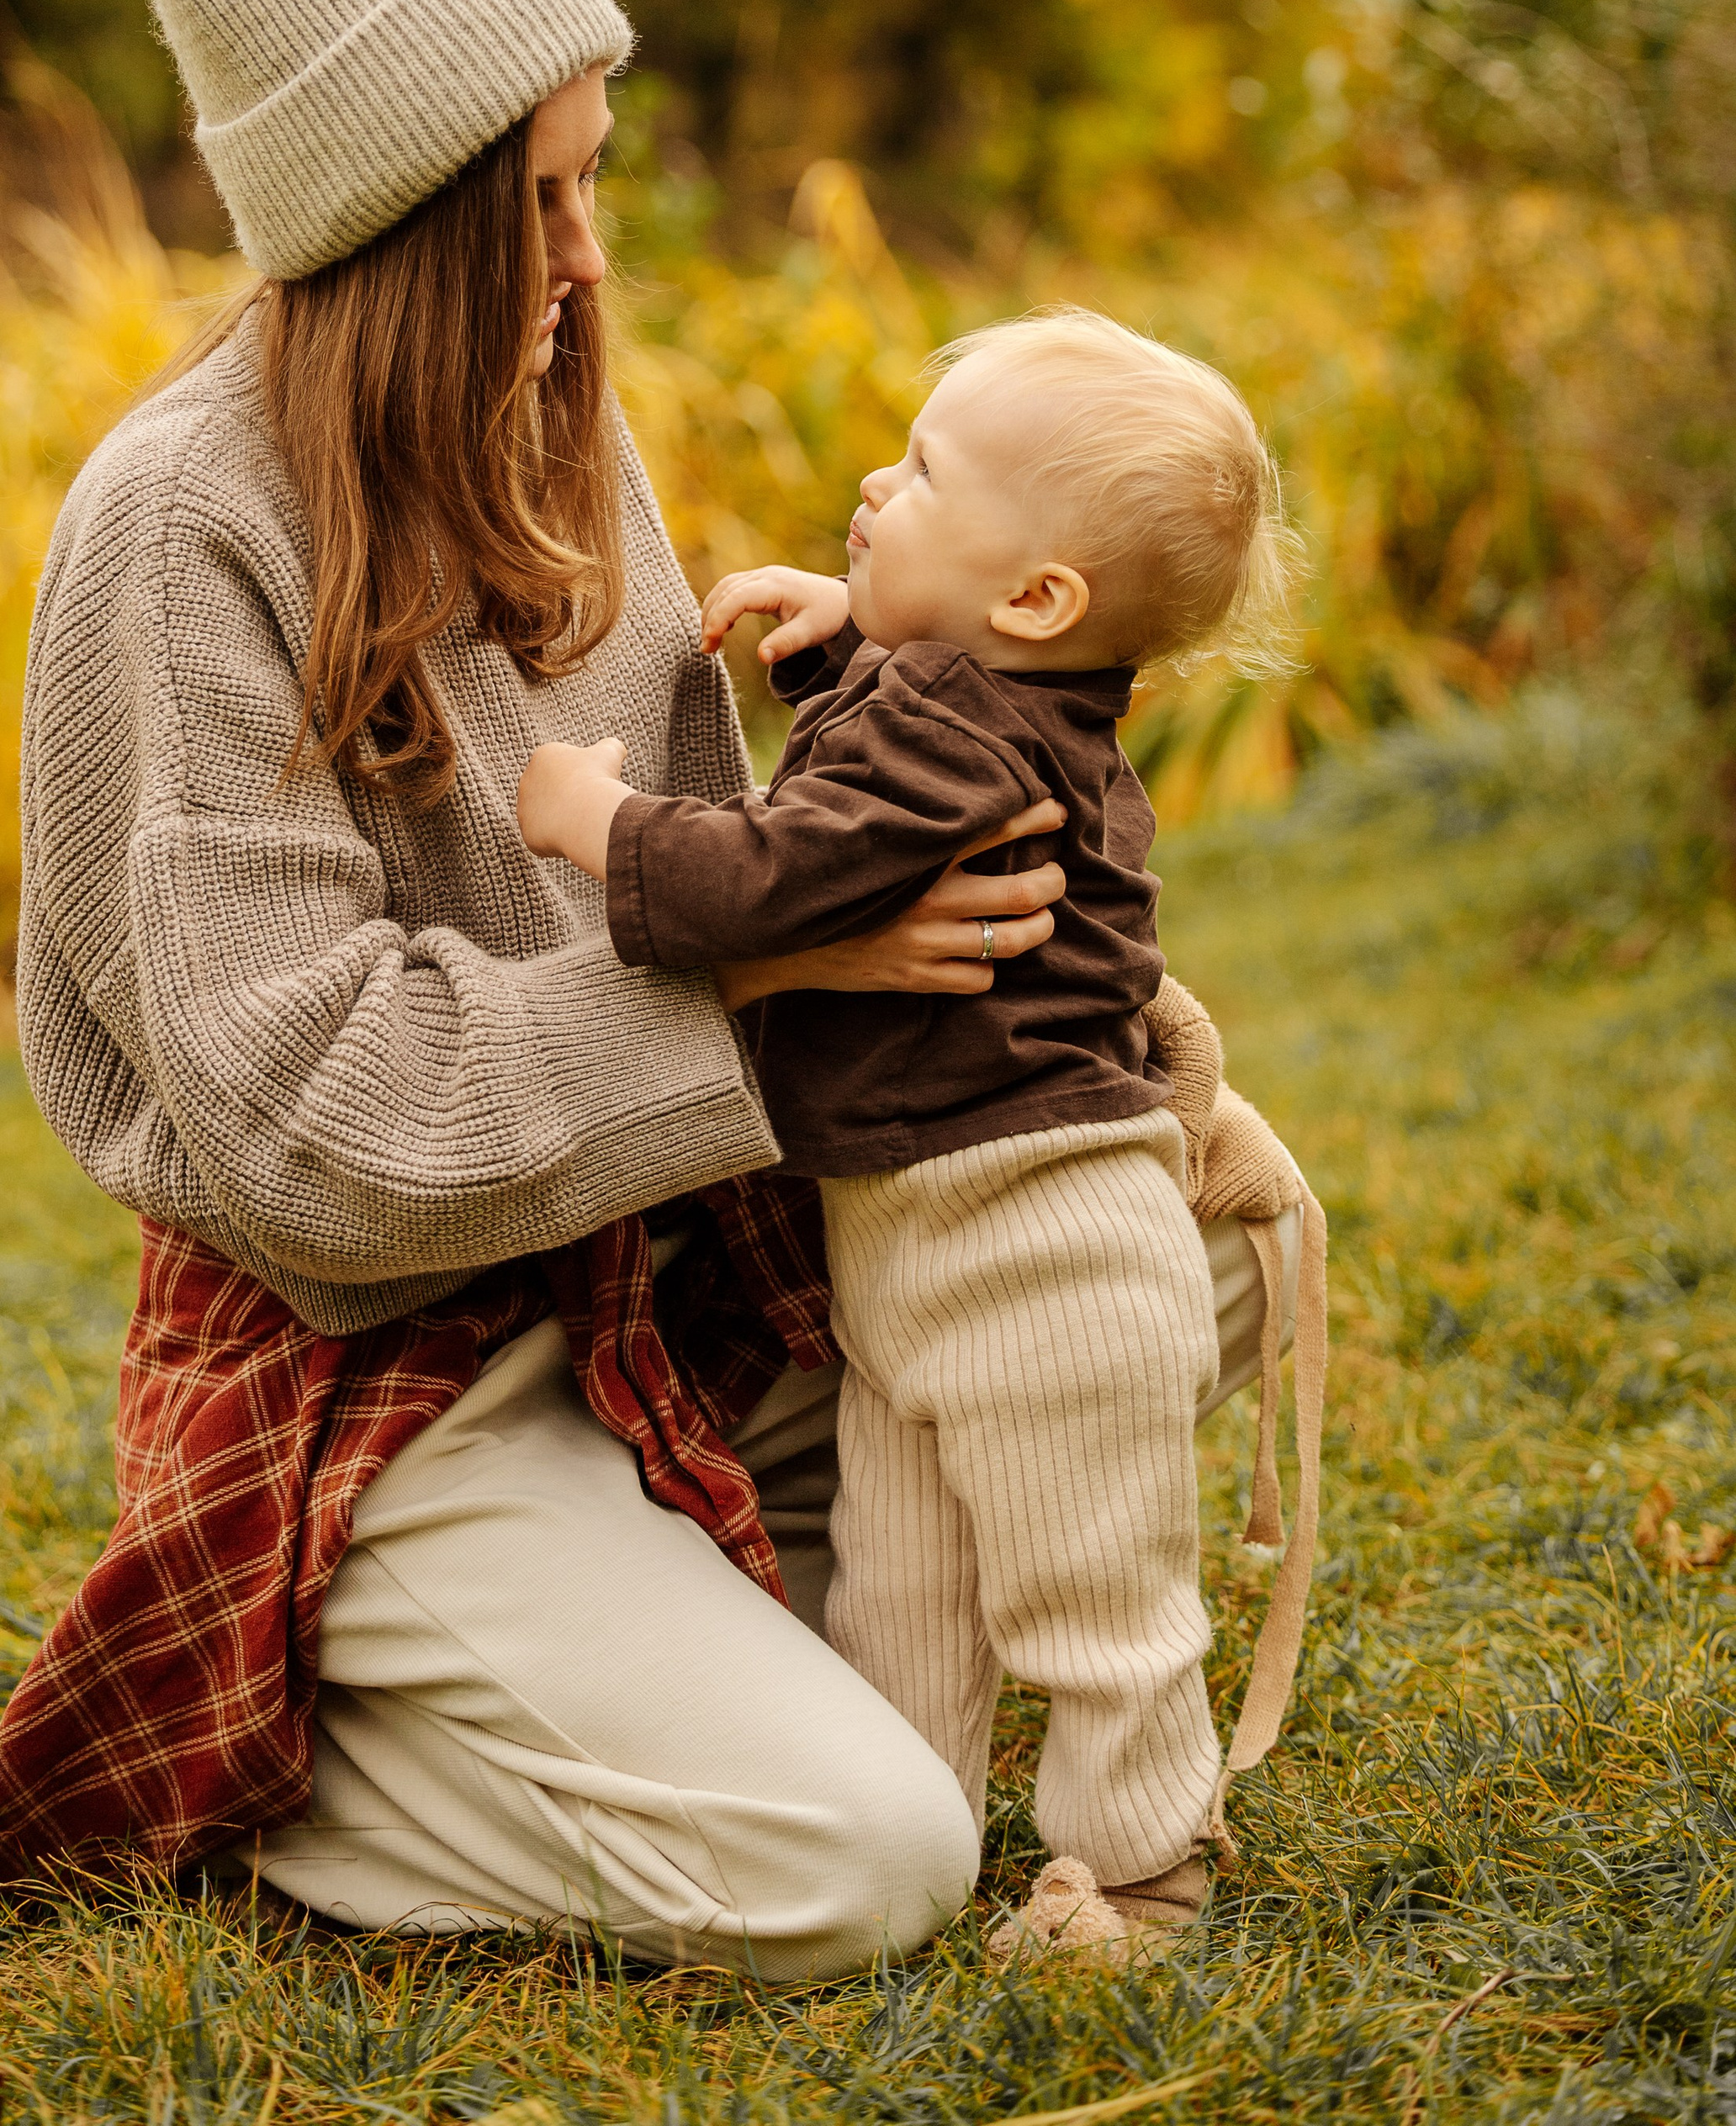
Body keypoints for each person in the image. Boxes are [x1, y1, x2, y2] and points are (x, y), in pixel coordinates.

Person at [0, 0, 1305, 1980]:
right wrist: (785, 982)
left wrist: (1016, 979)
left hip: (657, 1270)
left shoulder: (565, 437)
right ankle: (321, 1734)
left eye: (595, 181)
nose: (593, 259)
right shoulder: (180, 533)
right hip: (382, 1345)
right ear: (403, 218)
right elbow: (320, 1127)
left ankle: (677, 1624)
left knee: (1138, 1251)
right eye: (549, 200)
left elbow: (720, 877)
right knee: (863, 1866)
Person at [518, 309, 1323, 1963]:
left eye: (926, 474)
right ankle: (924, 1810)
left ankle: (1142, 1874)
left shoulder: (945, 732)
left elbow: (783, 866)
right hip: (920, 1247)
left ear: (1029, 601)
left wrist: (594, 825)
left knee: (1084, 1591)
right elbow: (890, 769)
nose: (878, 483)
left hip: (1034, 1246)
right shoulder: (1002, 704)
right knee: (906, 1584)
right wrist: (837, 645)